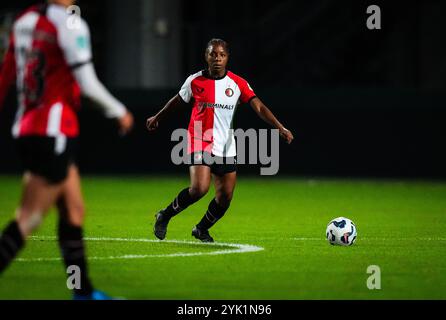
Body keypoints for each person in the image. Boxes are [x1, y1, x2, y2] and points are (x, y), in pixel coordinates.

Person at [0, 0, 134, 299]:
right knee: (29, 217)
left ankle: (81, 291)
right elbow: (86, 83)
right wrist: (118, 110)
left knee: (73, 211)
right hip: (53, 132)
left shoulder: (23, 20)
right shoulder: (70, 23)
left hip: (27, 128)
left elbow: (6, 74)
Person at [146, 38, 293, 243]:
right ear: (206, 56)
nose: (217, 58)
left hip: (226, 146)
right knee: (199, 188)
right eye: (213, 54)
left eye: (221, 54)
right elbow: (177, 101)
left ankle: (201, 229)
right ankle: (165, 215)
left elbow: (259, 107)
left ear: (227, 58)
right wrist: (157, 117)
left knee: (225, 197)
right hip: (199, 140)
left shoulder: (237, 83)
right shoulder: (194, 81)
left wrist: (280, 127)